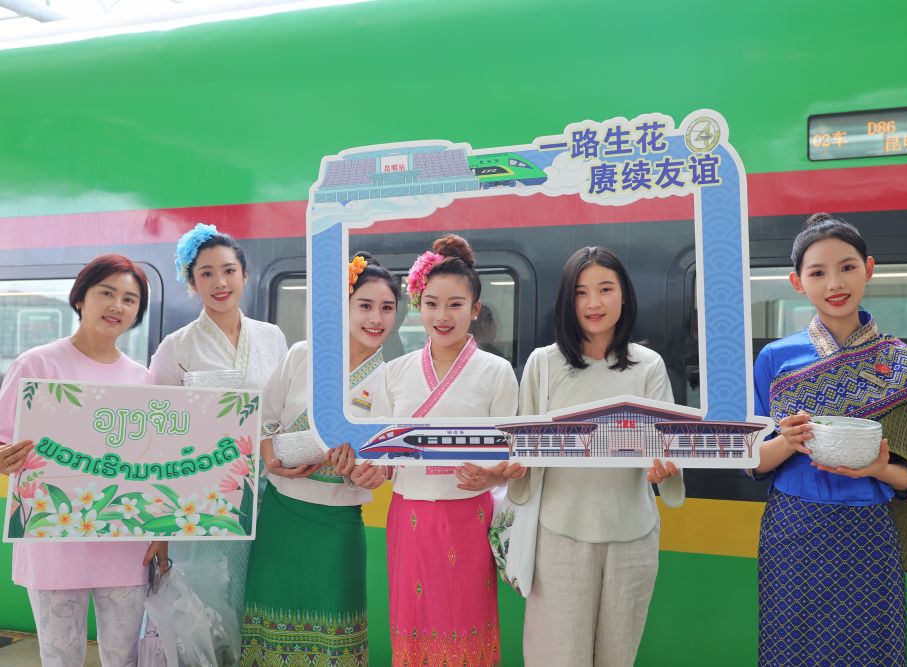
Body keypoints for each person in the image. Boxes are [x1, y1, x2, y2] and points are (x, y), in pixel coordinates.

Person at [751, 213, 907, 666]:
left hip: (868, 532)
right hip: (793, 530)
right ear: (797, 282)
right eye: (817, 272)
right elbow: (754, 462)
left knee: (872, 652)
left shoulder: (905, 365)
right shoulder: (774, 358)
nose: (835, 283)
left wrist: (880, 468)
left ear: (868, 269)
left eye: (847, 267)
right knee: (790, 650)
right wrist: (788, 441)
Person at [498, 246, 684, 667]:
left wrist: (666, 469)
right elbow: (520, 449)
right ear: (568, 300)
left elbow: (667, 448)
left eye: (605, 289)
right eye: (581, 292)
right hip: (558, 535)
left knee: (618, 657)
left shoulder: (648, 366)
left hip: (633, 535)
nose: (594, 303)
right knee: (557, 658)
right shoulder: (544, 364)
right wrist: (513, 467)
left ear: (624, 295)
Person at [0, 254, 169, 666]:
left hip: (125, 543)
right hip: (53, 541)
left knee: (123, 657)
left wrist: (162, 532)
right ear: (80, 298)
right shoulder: (37, 365)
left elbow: (153, 467)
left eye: (129, 299)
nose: (117, 306)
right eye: (106, 293)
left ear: (137, 312)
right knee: (60, 657)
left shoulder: (142, 378)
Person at [240, 253, 396, 665]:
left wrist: (368, 473)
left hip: (338, 525)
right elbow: (264, 417)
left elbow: (388, 461)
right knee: (270, 632)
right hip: (281, 516)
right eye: (365, 305)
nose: (375, 318)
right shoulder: (302, 355)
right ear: (343, 308)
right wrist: (271, 457)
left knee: (333, 637)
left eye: (387, 307)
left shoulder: (392, 380)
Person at [371, 234, 518, 667]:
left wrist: (492, 475)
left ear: (475, 309)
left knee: (466, 623)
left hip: (470, 518)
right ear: (418, 306)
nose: (442, 315)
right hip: (409, 517)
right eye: (432, 303)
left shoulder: (497, 372)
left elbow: (515, 456)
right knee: (413, 624)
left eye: (456, 304)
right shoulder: (393, 373)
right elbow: (379, 455)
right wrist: (372, 470)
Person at [149, 223, 288, 619]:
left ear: (245, 275)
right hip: (201, 494)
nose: (220, 282)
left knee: (259, 598)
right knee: (206, 605)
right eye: (206, 273)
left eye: (228, 270)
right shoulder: (176, 347)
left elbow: (280, 412)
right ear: (192, 283)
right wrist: (159, 527)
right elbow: (158, 436)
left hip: (269, 492)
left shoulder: (272, 338)